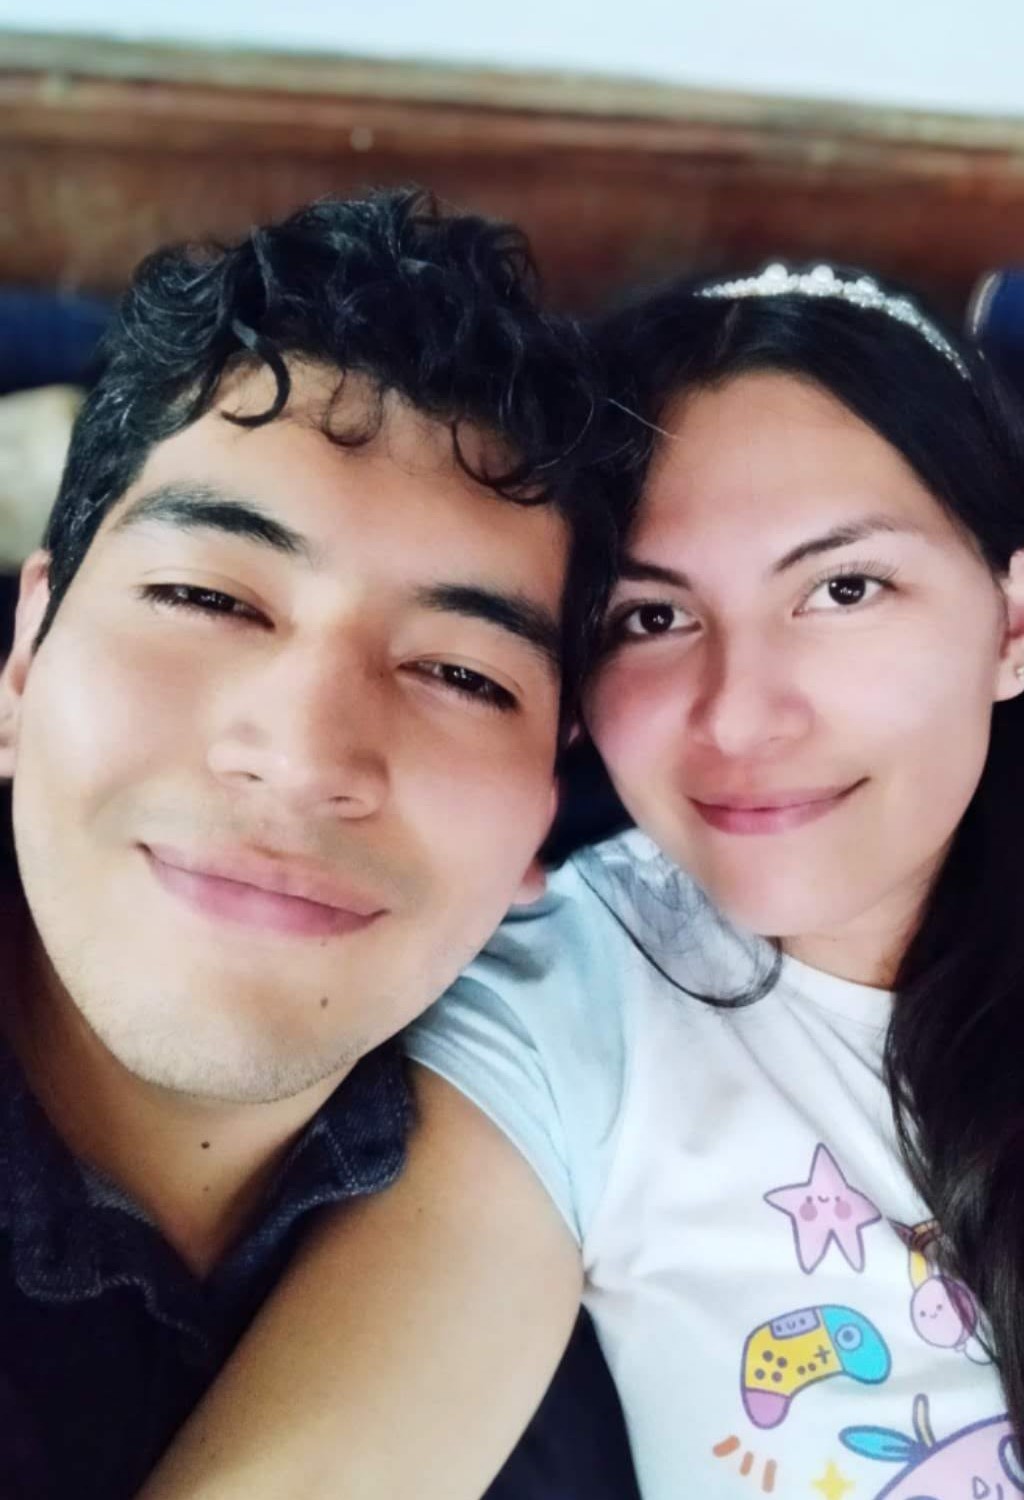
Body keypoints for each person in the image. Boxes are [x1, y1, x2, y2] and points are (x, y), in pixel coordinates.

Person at [137, 262, 1024, 1500]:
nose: (740, 716)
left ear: (1015, 622)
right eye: (650, 618)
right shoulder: (561, 1014)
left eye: (843, 589)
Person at [0, 188, 640, 1500]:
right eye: (205, 596)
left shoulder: (622, 1294)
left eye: (461, 674)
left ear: (545, 808)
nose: (302, 760)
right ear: (25, 661)